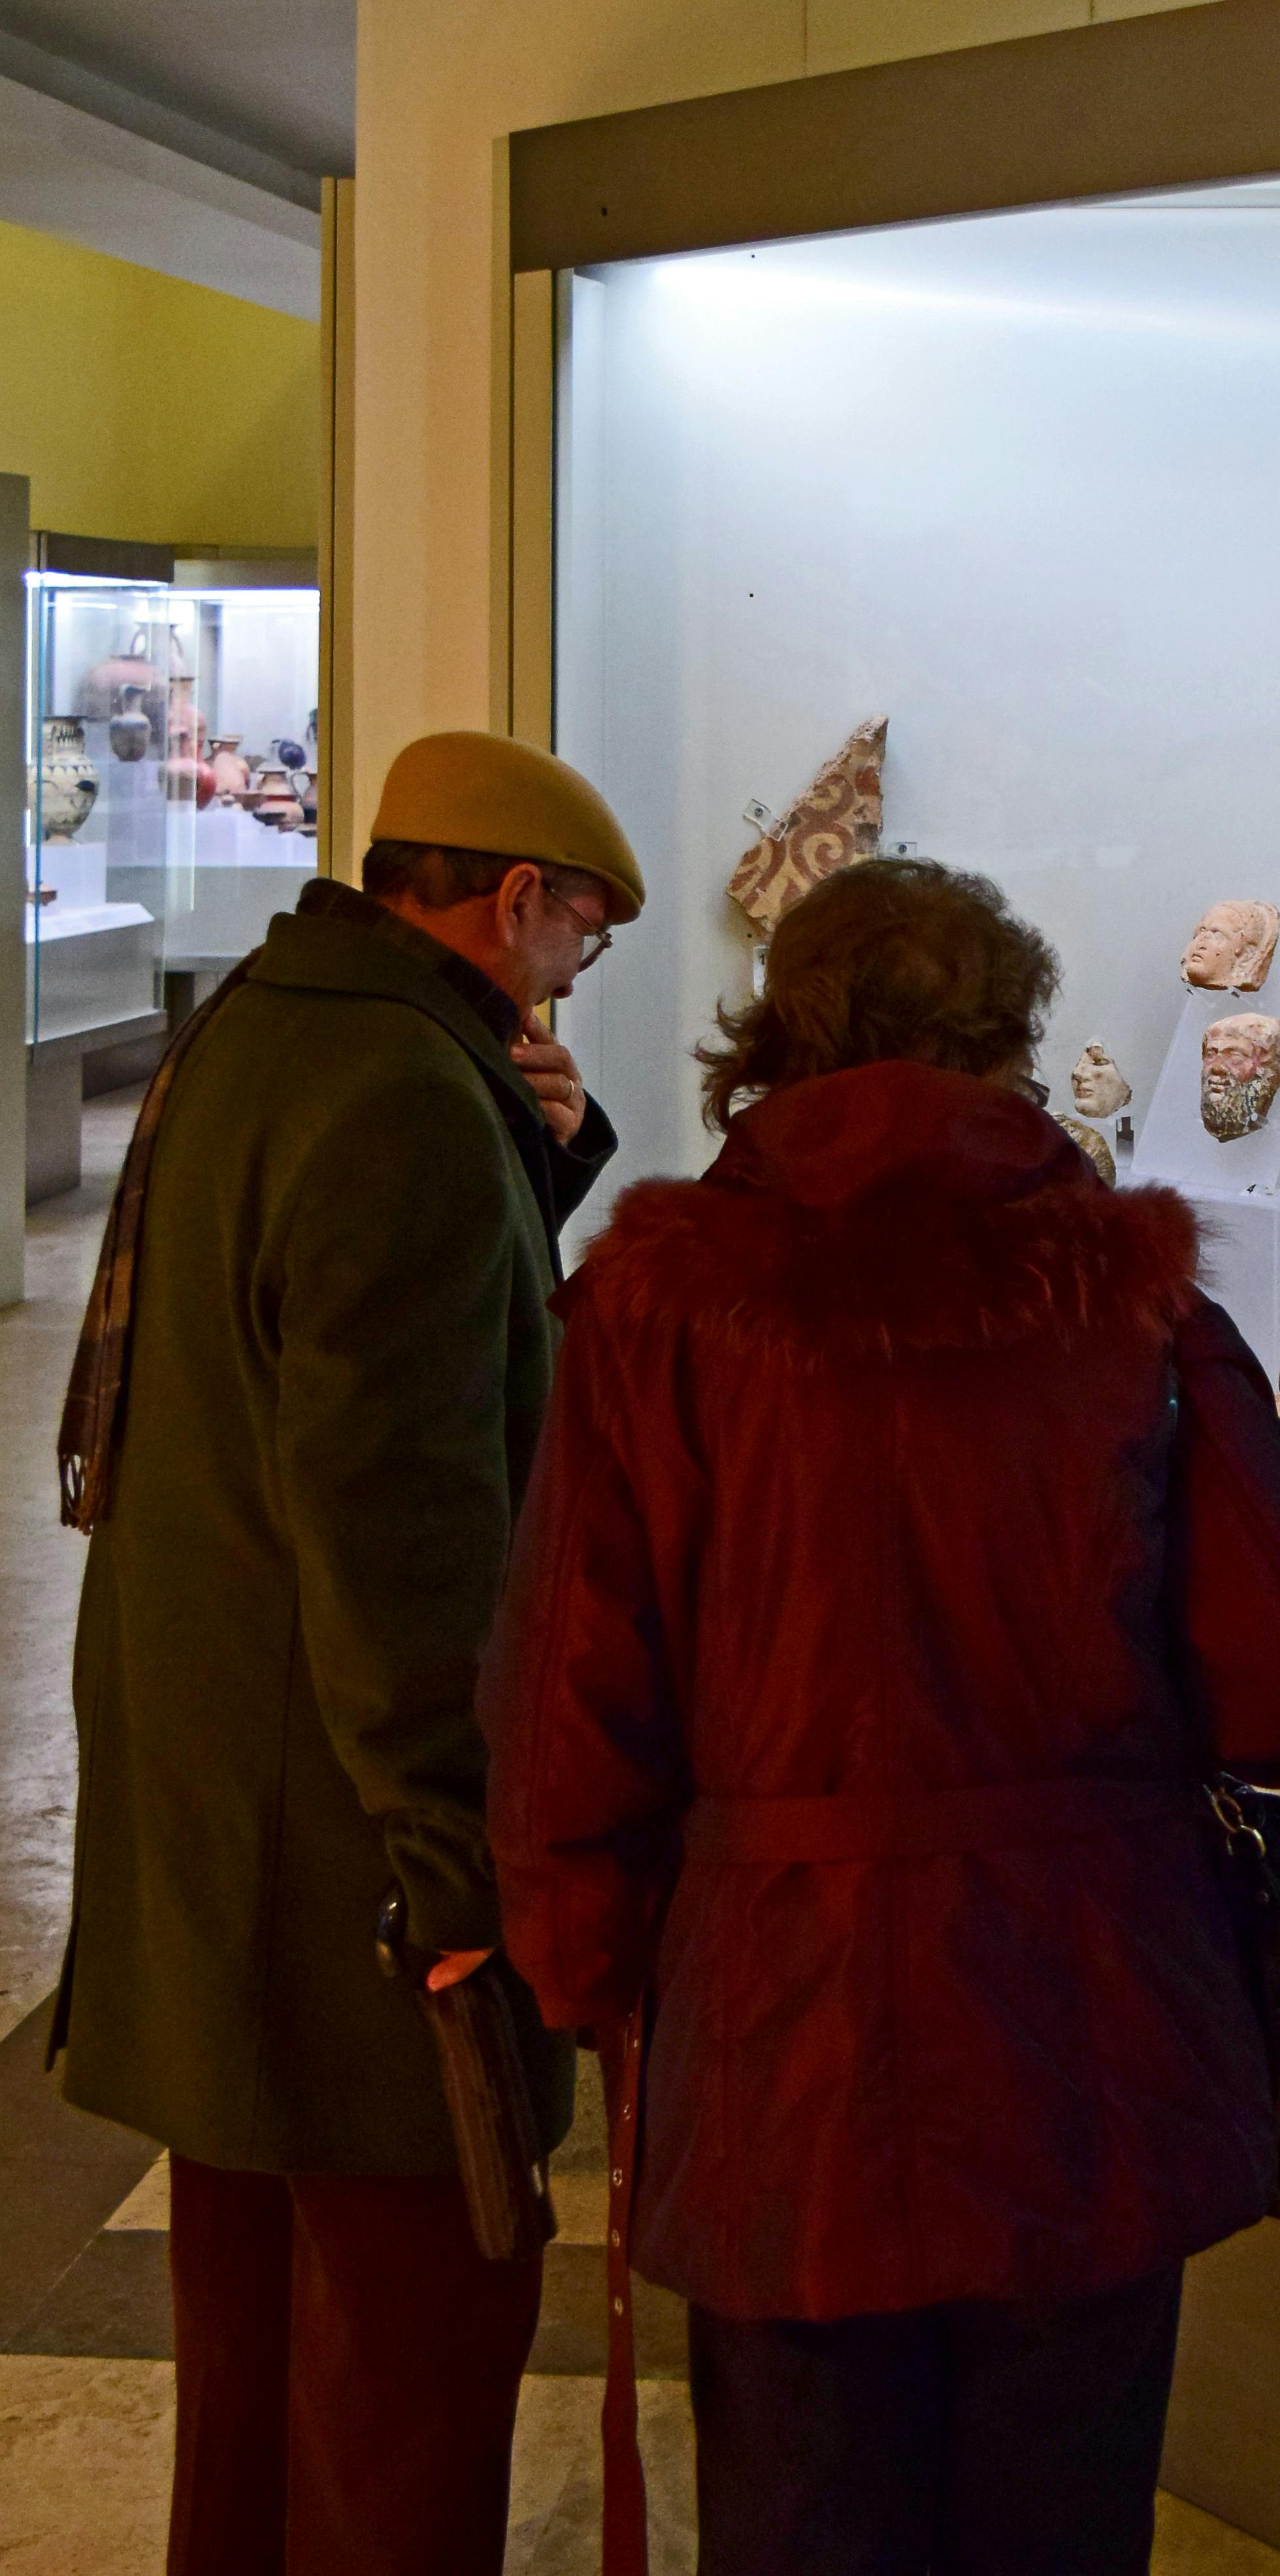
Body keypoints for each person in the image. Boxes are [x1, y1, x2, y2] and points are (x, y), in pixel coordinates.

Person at [480, 857, 1280, 2576]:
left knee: (804, 2519)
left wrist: (584, 1968)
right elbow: (1277, 1689)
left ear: (773, 1045)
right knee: (1062, 2524)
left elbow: (566, 1695)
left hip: (781, 2035)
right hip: (1091, 2026)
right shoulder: (1132, 1296)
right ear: (1007, 1045)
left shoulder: (660, 1303)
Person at [51, 729, 646, 2576]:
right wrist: (456, 1866)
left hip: (222, 1784)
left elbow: (343, 1347)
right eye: (585, 942)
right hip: (350, 1851)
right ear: (516, 900)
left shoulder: (266, 1021)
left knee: (252, 2333)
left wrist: (536, 1153)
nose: (576, 979)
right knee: (407, 2358)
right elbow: (405, 1524)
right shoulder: (399, 1089)